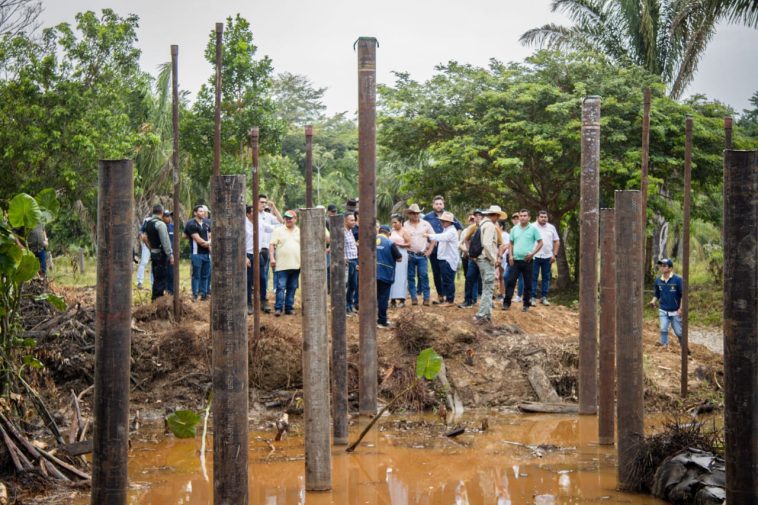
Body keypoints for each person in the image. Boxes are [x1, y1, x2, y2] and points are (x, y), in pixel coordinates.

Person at [424, 195, 462, 304]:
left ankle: (449, 299)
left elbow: (457, 229)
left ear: (443, 204)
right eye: (436, 204)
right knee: (437, 274)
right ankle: (441, 296)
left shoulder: (450, 226)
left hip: (448, 254)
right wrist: (429, 243)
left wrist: (455, 241)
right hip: (436, 251)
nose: (439, 205)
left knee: (447, 277)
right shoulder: (427, 217)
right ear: (433, 205)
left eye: (440, 203)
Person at [503, 209, 543, 312]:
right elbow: (511, 243)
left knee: (528, 283)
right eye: (521, 216)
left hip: (528, 261)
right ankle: (506, 303)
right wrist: (510, 256)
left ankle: (526, 304)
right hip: (515, 260)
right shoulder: (514, 229)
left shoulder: (533, 229)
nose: (522, 217)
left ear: (529, 217)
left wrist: (533, 253)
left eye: (525, 216)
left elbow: (540, 242)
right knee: (510, 281)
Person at [474, 206, 507, 323]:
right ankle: (481, 315)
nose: (498, 218)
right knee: (488, 288)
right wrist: (493, 259)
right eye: (498, 216)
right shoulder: (490, 226)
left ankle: (486, 314)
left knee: (486, 286)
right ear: (496, 215)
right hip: (486, 259)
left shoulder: (482, 224)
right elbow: (487, 245)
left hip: (481, 259)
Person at [403, 204, 435, 306]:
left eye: (417, 213)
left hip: (422, 255)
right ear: (409, 214)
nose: (415, 215)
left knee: (424, 275)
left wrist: (430, 249)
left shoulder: (426, 224)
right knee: (410, 276)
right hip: (409, 254)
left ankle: (426, 298)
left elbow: (433, 238)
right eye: (413, 213)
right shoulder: (405, 225)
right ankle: (414, 298)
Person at [270, 210, 301, 316]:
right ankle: (278, 308)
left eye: (290, 218)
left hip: (296, 264)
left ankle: (289, 307)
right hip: (282, 265)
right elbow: (271, 245)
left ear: (295, 219)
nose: (288, 220)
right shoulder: (278, 230)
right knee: (281, 287)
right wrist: (272, 258)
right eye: (286, 218)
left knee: (292, 287)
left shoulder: (299, 231)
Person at [648, 258, 684, 348]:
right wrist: (653, 301)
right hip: (663, 309)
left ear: (670, 268)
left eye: (664, 266)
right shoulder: (658, 280)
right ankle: (664, 346)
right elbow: (657, 294)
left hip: (676, 311)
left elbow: (683, 295)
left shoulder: (678, 280)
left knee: (679, 332)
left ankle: (684, 347)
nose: (662, 267)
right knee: (663, 329)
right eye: (661, 266)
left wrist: (681, 308)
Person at [256, 195, 282, 313]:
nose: (264, 204)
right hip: (252, 249)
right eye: (262, 202)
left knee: (263, 275)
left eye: (265, 203)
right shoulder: (251, 215)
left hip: (265, 249)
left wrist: (274, 207)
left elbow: (281, 221)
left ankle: (263, 299)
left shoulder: (267, 216)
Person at [144, 204, 174, 301]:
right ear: (161, 212)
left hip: (154, 253)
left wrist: (151, 249)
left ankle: (154, 299)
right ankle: (159, 300)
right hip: (161, 255)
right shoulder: (160, 224)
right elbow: (165, 241)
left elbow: (145, 238)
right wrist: (170, 254)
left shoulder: (148, 223)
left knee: (156, 277)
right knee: (161, 279)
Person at [531, 210, 561, 305]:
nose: (543, 219)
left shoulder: (551, 228)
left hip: (548, 256)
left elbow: (556, 241)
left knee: (546, 277)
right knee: (533, 277)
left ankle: (544, 297)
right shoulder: (532, 226)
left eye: (545, 217)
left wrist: (554, 254)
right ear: (537, 218)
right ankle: (532, 297)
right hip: (534, 256)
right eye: (542, 217)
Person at [376, 225, 403, 328]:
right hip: (385, 274)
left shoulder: (370, 241)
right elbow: (399, 258)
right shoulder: (390, 243)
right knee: (383, 298)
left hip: (370, 274)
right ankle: (382, 321)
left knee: (372, 297)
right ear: (388, 233)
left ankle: (370, 319)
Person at [184, 205, 211, 301]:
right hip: (197, 254)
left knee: (205, 275)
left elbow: (209, 236)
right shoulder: (191, 224)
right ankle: (195, 295)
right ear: (195, 213)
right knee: (196, 275)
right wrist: (210, 243)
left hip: (206, 254)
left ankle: (204, 294)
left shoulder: (206, 224)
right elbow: (200, 242)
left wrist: (209, 243)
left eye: (203, 211)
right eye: (200, 211)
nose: (203, 213)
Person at [459, 210, 484, 308]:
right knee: (469, 278)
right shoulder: (472, 228)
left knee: (485, 280)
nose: (477, 218)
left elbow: (499, 243)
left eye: (479, 216)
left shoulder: (489, 227)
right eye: (475, 216)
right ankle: (468, 301)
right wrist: (469, 251)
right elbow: (465, 239)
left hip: (484, 259)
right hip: (473, 259)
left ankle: (487, 302)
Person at [389, 214, 411, 307]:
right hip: (392, 254)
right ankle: (392, 299)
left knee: (401, 276)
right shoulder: (391, 231)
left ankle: (402, 299)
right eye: (392, 223)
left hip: (401, 253)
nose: (394, 224)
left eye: (395, 222)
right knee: (393, 275)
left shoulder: (404, 231)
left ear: (401, 222)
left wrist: (399, 244)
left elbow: (409, 244)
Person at [344, 212, 359, 315]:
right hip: (347, 262)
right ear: (345, 221)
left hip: (354, 260)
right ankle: (345, 306)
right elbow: (339, 247)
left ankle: (350, 305)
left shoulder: (350, 231)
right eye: (352, 220)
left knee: (353, 285)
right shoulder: (342, 232)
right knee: (347, 285)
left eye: (354, 220)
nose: (354, 222)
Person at [136, 215, 151, 289]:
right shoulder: (148, 220)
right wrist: (147, 244)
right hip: (147, 243)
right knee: (144, 262)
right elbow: (141, 233)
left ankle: (153, 282)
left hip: (156, 243)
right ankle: (140, 282)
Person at [162, 211, 175, 295]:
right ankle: (164, 290)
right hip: (163, 254)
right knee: (163, 273)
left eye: (169, 216)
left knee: (171, 273)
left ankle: (171, 291)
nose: (169, 218)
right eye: (167, 216)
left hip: (172, 254)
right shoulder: (161, 227)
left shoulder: (173, 227)